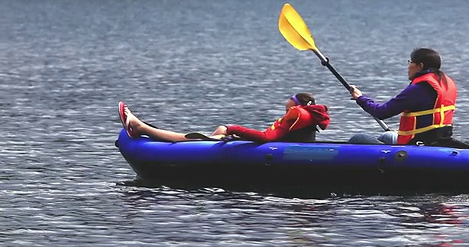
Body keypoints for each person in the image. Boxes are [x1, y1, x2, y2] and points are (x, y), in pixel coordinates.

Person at [118, 93, 330, 143]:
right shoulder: (306, 118)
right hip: (277, 151)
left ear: (296, 104)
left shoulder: (295, 115)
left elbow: (267, 138)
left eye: (289, 100)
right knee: (202, 138)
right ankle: (142, 127)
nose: (286, 103)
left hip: (272, 151)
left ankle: (140, 127)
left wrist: (233, 128)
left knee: (194, 141)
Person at [349, 48, 457, 146]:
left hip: (417, 144)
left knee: (358, 138)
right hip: (439, 139)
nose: (408, 66)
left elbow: (381, 112)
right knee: (388, 136)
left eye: (410, 62)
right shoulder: (445, 83)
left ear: (420, 66)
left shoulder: (419, 88)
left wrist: (360, 98)